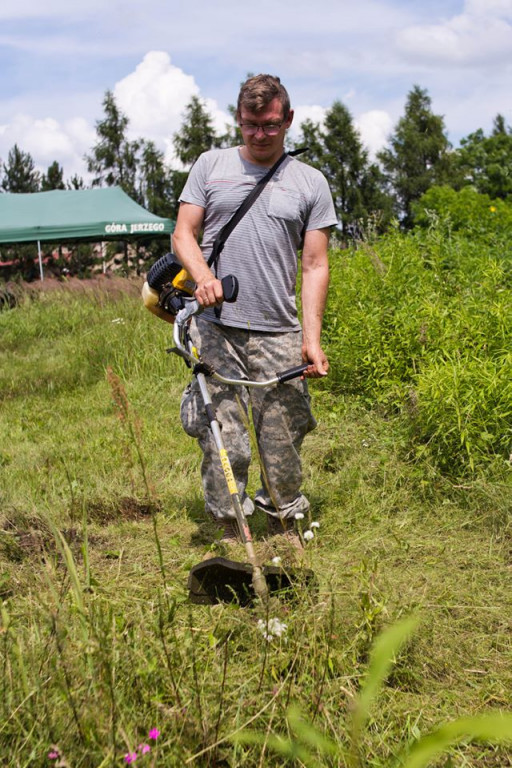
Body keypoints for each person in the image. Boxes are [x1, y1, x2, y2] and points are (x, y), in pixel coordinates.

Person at [172, 74, 337, 547]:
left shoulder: (310, 183)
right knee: (225, 437)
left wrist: (312, 338)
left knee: (281, 439)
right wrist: (204, 279)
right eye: (250, 125)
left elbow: (314, 264)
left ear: (287, 120)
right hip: (216, 328)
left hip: (279, 333)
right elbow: (183, 234)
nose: (259, 135)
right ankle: (229, 531)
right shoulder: (211, 166)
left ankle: (284, 525)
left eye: (269, 125)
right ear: (237, 120)